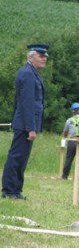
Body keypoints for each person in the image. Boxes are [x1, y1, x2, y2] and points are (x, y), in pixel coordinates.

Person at [1, 43, 49, 200]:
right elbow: (27, 102)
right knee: (17, 157)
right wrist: (30, 128)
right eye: (41, 56)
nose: (44, 59)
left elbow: (19, 101)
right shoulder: (28, 74)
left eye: (45, 56)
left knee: (21, 158)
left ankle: (15, 190)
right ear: (31, 56)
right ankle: (9, 190)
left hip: (23, 122)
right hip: (25, 124)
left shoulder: (31, 72)